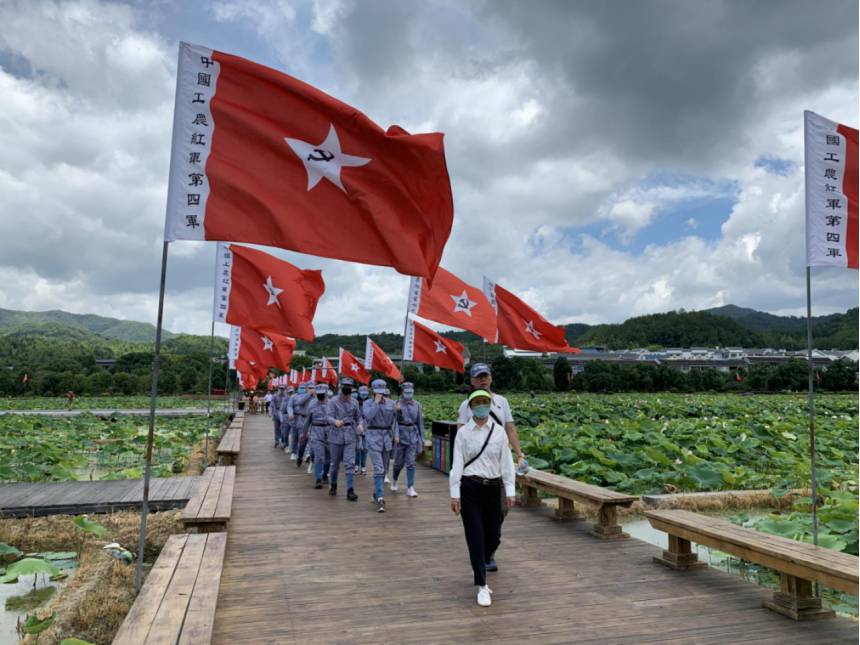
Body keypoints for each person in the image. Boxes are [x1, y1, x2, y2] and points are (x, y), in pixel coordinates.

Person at [449, 389, 516, 607]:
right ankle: (481, 585)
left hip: (493, 488)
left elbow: (506, 463)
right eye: (476, 402)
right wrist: (454, 493)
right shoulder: (463, 433)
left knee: (494, 536)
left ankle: (479, 560)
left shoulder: (498, 432)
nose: (481, 406)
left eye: (484, 402)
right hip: (470, 488)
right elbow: (457, 464)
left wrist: (510, 490)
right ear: (470, 407)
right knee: (475, 536)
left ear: (490, 404)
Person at [457, 362, 526, 572]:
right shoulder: (465, 405)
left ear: (491, 378)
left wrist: (520, 455)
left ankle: (489, 544)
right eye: (478, 377)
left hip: (499, 466)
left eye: (485, 376)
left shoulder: (501, 402)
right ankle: (488, 554)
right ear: (471, 381)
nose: (483, 380)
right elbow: (460, 434)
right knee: (483, 513)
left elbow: (510, 429)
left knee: (501, 509)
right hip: (476, 471)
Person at [362, 379, 398, 513]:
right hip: (373, 437)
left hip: (387, 438)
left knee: (384, 469)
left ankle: (376, 492)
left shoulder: (392, 403)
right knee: (378, 468)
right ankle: (381, 498)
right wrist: (376, 402)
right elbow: (368, 416)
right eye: (377, 392)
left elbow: (398, 420)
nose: (380, 394)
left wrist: (399, 411)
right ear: (373, 391)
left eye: (382, 392)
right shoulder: (367, 403)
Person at [326, 378, 360, 501]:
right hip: (336, 435)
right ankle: (333, 485)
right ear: (340, 387)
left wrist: (360, 425)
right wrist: (335, 421)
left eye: (349, 386)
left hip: (350, 435)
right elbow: (328, 416)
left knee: (350, 463)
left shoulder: (355, 402)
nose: (347, 388)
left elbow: (359, 417)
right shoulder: (333, 401)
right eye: (345, 386)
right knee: (334, 464)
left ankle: (350, 490)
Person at [392, 382, 423, 497]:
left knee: (411, 463)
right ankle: (394, 479)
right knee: (398, 464)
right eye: (407, 392)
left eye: (411, 392)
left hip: (413, 436)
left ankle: (410, 487)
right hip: (401, 435)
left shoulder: (417, 405)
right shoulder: (397, 403)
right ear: (402, 392)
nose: (409, 394)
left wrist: (421, 438)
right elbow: (395, 421)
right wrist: (398, 411)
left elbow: (420, 422)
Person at [305, 383, 332, 489]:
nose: (321, 396)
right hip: (316, 431)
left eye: (323, 394)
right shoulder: (312, 404)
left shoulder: (332, 404)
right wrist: (305, 432)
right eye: (318, 394)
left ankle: (325, 474)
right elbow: (308, 420)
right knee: (319, 456)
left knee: (328, 456)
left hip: (329, 431)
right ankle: (318, 478)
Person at [289, 383, 312, 466]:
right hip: (300, 419)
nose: (311, 389)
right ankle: (298, 455)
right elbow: (298, 402)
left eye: (312, 388)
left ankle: (308, 454)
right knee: (300, 439)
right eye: (309, 388)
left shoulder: (316, 397)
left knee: (311, 439)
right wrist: (290, 414)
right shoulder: (298, 397)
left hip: (313, 421)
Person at [354, 385, 369, 474]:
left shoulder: (370, 402)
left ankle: (363, 466)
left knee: (365, 448)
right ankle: (356, 465)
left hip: (367, 428)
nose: (364, 395)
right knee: (357, 448)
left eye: (365, 393)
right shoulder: (356, 403)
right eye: (362, 393)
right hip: (358, 426)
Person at [279, 386, 295, 453]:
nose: (291, 393)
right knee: (285, 433)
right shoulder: (285, 399)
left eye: (292, 392)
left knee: (294, 434)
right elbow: (281, 410)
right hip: (286, 417)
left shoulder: (296, 398)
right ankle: (286, 445)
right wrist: (281, 419)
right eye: (289, 392)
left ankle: (293, 448)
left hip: (294, 417)